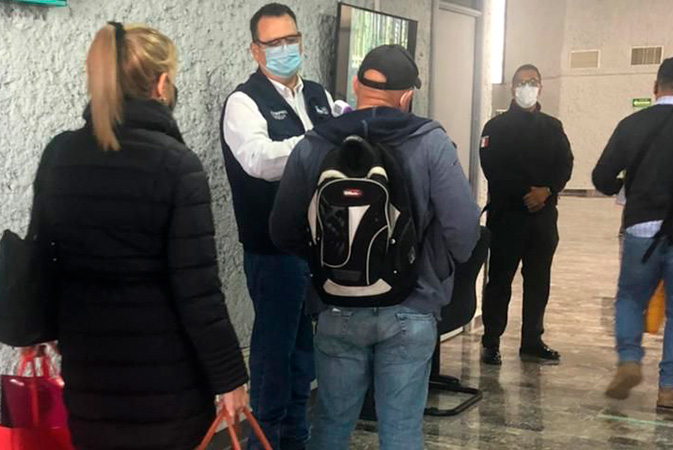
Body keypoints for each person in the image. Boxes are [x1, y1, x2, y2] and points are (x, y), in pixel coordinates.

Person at [25, 23, 248, 450]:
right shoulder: (177, 165)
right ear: (161, 84)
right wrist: (229, 378)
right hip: (166, 379)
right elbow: (198, 291)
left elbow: (41, 254)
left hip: (88, 371)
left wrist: (33, 328)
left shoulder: (60, 154)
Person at [269, 44, 480, 449]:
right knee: (400, 430)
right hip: (412, 306)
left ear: (355, 85)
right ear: (406, 96)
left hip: (335, 306)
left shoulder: (314, 143)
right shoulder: (430, 142)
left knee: (330, 425)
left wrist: (326, 262)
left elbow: (282, 230)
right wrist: (439, 267)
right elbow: (463, 229)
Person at [219, 3, 335, 449]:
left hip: (316, 247)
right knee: (273, 357)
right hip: (272, 251)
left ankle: (293, 440)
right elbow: (260, 161)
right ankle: (262, 442)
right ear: (256, 50)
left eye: (291, 40)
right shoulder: (244, 102)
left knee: (304, 357)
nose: (285, 49)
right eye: (274, 43)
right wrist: (318, 143)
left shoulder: (318, 96)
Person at [593, 56, 673, 409]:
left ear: (655, 86)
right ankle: (670, 388)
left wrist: (629, 186)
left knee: (630, 298)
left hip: (641, 229)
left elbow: (601, 178)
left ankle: (629, 360)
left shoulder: (632, 125)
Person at [479, 64, 574, 366]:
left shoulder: (553, 127)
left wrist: (547, 190)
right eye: (521, 82)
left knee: (538, 281)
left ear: (540, 87)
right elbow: (492, 167)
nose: (527, 87)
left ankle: (532, 341)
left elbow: (565, 164)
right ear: (512, 88)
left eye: (532, 82)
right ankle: (491, 341)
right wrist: (526, 193)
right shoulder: (496, 127)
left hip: (542, 220)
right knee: (499, 281)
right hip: (507, 217)